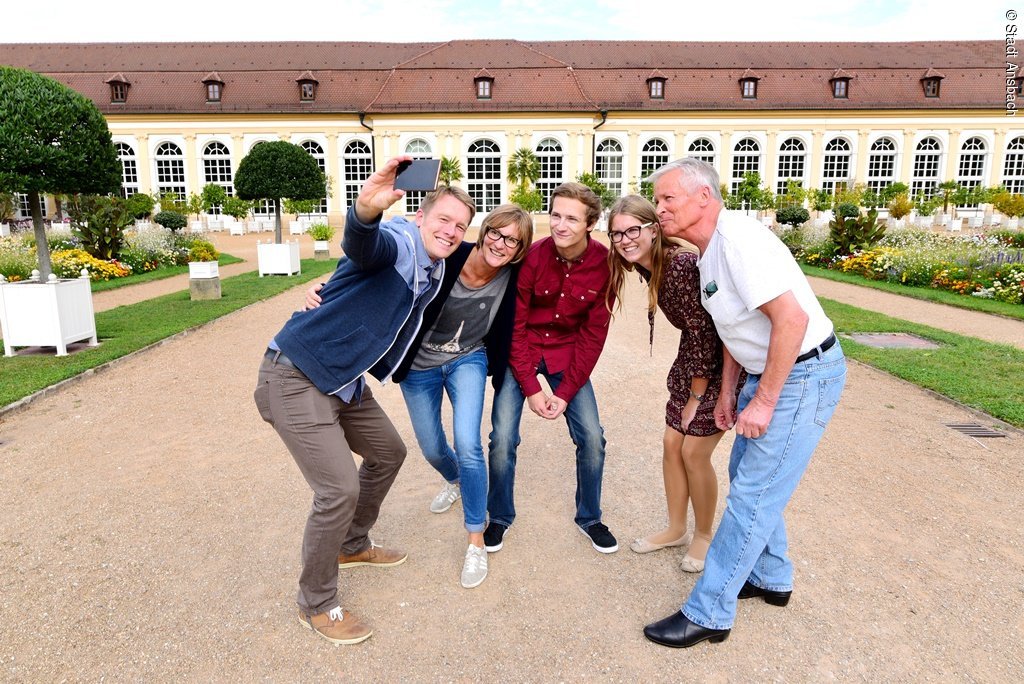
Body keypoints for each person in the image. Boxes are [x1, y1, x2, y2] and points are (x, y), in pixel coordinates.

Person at [253, 156, 475, 646]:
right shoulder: (398, 242)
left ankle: (352, 544)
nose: (452, 231)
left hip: (345, 381)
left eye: (461, 226)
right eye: (444, 220)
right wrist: (364, 211)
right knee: (337, 491)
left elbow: (501, 249)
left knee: (388, 453)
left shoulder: (434, 267)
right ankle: (316, 602)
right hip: (297, 375)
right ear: (420, 216)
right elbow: (363, 245)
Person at [641, 158, 847, 649]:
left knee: (753, 494)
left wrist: (766, 400)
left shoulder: (739, 243)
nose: (659, 208)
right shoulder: (708, 250)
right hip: (766, 373)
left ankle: (709, 611)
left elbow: (791, 321)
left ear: (703, 198)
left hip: (802, 374)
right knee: (752, 476)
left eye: (668, 198)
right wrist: (731, 391)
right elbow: (733, 330)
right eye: (658, 198)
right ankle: (771, 578)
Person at [306, 204, 534, 589]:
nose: (501, 243)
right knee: (431, 448)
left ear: (519, 249)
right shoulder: (448, 255)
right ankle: (458, 481)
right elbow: (378, 264)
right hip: (420, 366)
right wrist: (324, 287)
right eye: (496, 232)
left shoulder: (515, 276)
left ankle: (475, 539)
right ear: (484, 231)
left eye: (513, 240)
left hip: (469, 359)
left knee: (468, 444)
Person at [604, 195, 739, 572]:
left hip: (717, 364)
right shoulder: (649, 265)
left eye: (633, 229)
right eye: (617, 233)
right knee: (670, 444)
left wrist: (698, 394)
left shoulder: (678, 265)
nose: (625, 239)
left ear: (653, 229)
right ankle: (676, 528)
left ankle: (704, 535)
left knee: (694, 453)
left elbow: (704, 330)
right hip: (692, 361)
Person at [484, 182, 618, 554]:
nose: (559, 224)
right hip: (523, 351)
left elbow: (593, 335)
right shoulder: (532, 257)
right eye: (555, 214)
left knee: (592, 437)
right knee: (502, 438)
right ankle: (499, 515)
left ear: (591, 223)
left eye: (571, 218)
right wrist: (530, 387)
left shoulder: (605, 265)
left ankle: (590, 517)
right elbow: (515, 324)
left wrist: (563, 393)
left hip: (567, 354)